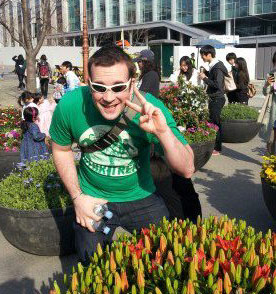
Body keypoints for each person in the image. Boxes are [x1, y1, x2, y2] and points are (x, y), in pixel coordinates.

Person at [50, 45, 194, 265]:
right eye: (99, 87)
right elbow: (61, 149)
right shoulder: (71, 104)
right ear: (89, 84)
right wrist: (77, 197)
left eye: (118, 87)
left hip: (142, 196)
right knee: (92, 264)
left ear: (132, 83)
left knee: (165, 259)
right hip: (93, 198)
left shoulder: (150, 107)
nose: (109, 98)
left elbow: (186, 168)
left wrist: (162, 132)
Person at [199, 45, 228, 155]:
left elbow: (217, 84)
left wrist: (205, 78)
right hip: (214, 97)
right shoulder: (214, 66)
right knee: (213, 122)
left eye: (203, 54)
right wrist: (207, 74)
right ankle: (215, 146)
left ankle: (217, 147)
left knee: (216, 123)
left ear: (209, 54)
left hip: (217, 98)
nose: (202, 56)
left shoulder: (217, 67)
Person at [263, 51, 276, 154]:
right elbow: (265, 92)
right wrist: (267, 84)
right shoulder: (271, 74)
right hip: (273, 110)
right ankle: (271, 161)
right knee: (271, 138)